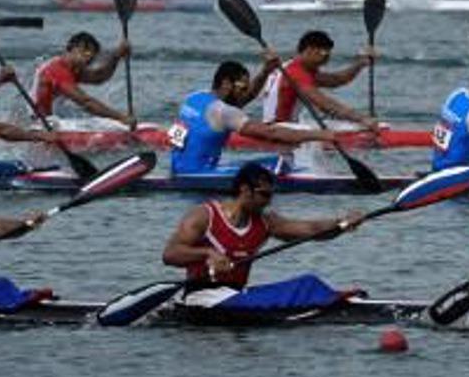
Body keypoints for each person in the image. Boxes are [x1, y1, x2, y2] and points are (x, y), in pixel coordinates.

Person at [161, 162, 362, 290]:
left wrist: (342, 223)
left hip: (235, 297)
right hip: (200, 296)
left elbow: (310, 230)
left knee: (307, 284)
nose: (268, 201)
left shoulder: (266, 222)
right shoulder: (204, 216)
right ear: (245, 190)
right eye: (264, 195)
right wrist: (207, 254)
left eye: (271, 195)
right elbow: (169, 254)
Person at [170, 60, 340, 176]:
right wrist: (320, 135)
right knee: (280, 164)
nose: (245, 92)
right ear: (226, 84)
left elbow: (246, 97)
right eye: (242, 87)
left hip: (177, 171)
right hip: (202, 175)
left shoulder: (193, 98)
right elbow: (271, 133)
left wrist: (266, 71)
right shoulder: (224, 112)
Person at [260, 30, 379, 134]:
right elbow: (324, 104)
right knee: (360, 127)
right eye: (323, 53)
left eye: (328, 53)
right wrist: (362, 119)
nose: (326, 58)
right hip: (282, 129)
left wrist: (360, 64)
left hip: (272, 127)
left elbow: (336, 80)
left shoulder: (290, 67)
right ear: (309, 50)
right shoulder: (297, 73)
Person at [32, 31, 135, 128]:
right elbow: (86, 103)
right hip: (42, 124)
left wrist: (116, 56)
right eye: (85, 52)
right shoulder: (57, 70)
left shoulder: (71, 68)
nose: (88, 58)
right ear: (71, 49)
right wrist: (121, 117)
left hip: (52, 120)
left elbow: (98, 77)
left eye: (92, 56)